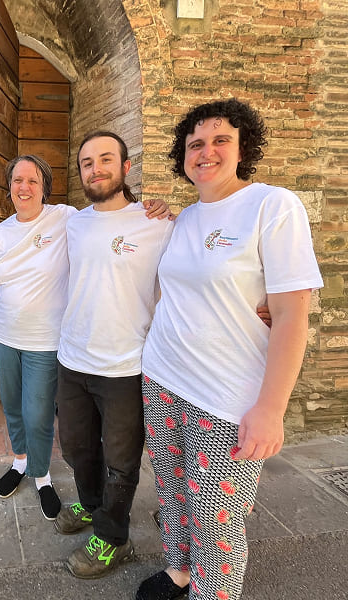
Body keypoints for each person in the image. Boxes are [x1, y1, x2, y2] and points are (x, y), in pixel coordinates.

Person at [136, 99, 323, 600]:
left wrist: (271, 409)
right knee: (173, 496)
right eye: (195, 143)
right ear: (183, 156)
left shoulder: (272, 206)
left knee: (218, 527)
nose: (207, 151)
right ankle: (179, 572)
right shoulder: (185, 219)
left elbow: (290, 314)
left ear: (243, 148)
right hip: (163, 376)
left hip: (228, 398)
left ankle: (208, 590)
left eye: (221, 140)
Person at [0, 154, 169, 521]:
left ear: (44, 187)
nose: (24, 187)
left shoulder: (67, 218)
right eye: (18, 180)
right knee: (12, 405)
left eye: (33, 180)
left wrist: (152, 207)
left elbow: (110, 214)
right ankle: (20, 461)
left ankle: (41, 476)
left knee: (38, 414)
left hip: (46, 341)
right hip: (4, 335)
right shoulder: (2, 232)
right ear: (9, 188)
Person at [54, 132, 175, 579]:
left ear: (126, 167)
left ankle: (113, 538)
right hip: (72, 360)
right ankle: (89, 505)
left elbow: (193, 273)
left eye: (106, 159)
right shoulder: (73, 223)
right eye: (87, 162)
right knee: (77, 449)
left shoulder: (158, 224)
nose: (95, 168)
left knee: (120, 462)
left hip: (125, 365)